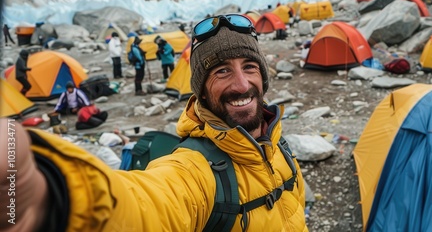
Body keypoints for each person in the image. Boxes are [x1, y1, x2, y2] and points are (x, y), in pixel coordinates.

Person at [0, 14, 307, 231]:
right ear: (200, 90)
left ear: (263, 77)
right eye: (222, 71)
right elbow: (145, 206)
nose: (242, 84)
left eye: (250, 67)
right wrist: (50, 192)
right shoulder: (195, 171)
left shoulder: (278, 145)